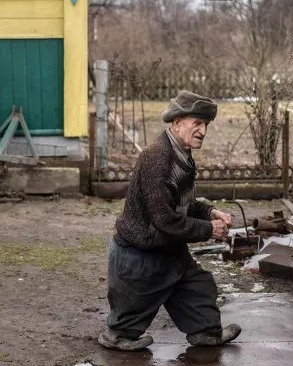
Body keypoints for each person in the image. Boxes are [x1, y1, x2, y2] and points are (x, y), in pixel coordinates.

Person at [99, 90, 242, 352]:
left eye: (206, 125)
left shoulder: (181, 154)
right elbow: (165, 219)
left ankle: (206, 333)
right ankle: (116, 337)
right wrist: (209, 230)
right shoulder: (157, 158)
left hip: (166, 247)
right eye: (196, 124)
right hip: (139, 254)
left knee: (198, 288)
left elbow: (182, 203)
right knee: (131, 311)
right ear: (177, 123)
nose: (203, 131)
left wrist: (210, 212)